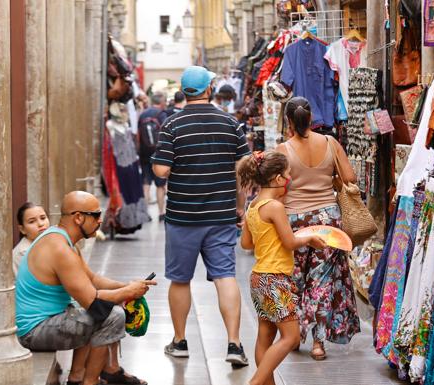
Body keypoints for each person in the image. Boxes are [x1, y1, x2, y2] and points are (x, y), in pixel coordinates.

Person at [152, 65, 251, 366]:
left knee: (180, 280)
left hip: (183, 216)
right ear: (209, 89)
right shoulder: (230, 123)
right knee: (225, 276)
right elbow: (243, 169)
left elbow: (161, 170)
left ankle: (180, 341)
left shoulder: (172, 125)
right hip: (221, 215)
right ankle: (234, 344)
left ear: (184, 91)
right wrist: (240, 206)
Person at [15, 191, 157, 385]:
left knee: (97, 310)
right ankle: (89, 382)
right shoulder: (60, 249)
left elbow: (93, 279)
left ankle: (78, 377)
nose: (100, 220)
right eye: (96, 215)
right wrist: (127, 293)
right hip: (35, 331)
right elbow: (93, 301)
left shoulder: (63, 239)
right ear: (79, 217)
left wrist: (128, 286)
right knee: (112, 315)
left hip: (50, 320)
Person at [276, 96, 361, 360]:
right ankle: (318, 344)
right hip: (329, 221)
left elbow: (279, 188)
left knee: (296, 279)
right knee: (322, 282)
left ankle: (293, 335)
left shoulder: (283, 149)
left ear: (289, 120)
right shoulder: (330, 143)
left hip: (296, 222)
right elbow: (350, 178)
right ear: (311, 118)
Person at [238, 151, 325, 385]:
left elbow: (246, 244)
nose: (289, 178)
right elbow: (290, 242)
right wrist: (309, 237)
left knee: (265, 337)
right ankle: (255, 382)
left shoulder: (253, 206)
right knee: (290, 337)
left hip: (258, 278)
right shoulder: (274, 207)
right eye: (287, 174)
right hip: (275, 279)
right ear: (278, 179)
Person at [138, 92, 168, 220]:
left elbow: (137, 134)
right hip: (159, 154)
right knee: (160, 185)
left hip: (144, 153)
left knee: (146, 183)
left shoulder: (143, 114)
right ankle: (161, 213)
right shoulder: (162, 115)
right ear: (162, 102)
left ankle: (146, 214)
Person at [12, 202, 50, 276]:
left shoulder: (47, 244)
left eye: (43, 218)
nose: (40, 224)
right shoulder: (24, 253)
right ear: (22, 229)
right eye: (32, 221)